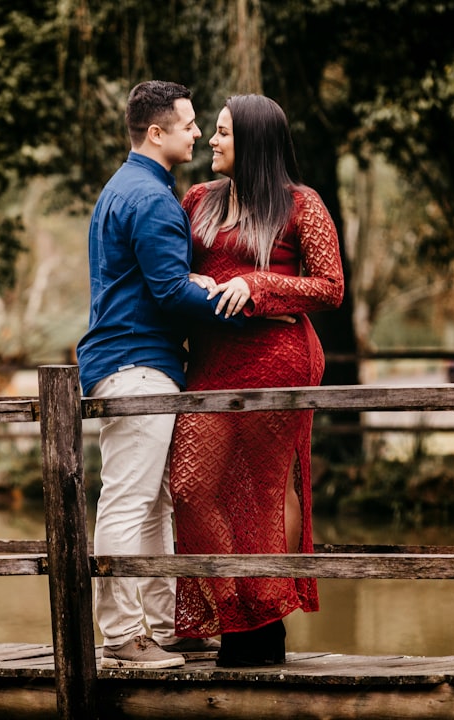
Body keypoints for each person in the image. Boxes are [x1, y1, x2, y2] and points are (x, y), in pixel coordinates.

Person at [75, 80, 252, 670]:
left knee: (154, 503)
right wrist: (245, 301)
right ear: (158, 133)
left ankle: (164, 623)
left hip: (134, 363)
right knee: (129, 501)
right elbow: (170, 294)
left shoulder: (124, 188)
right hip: (136, 366)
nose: (198, 133)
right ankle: (124, 635)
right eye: (188, 124)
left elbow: (155, 283)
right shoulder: (150, 198)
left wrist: (192, 285)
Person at [168, 94, 345, 667]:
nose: (212, 142)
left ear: (254, 142)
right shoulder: (198, 200)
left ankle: (261, 627)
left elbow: (331, 286)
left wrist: (262, 283)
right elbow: (174, 270)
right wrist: (190, 276)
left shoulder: (300, 204)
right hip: (213, 358)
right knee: (192, 487)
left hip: (278, 356)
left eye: (222, 133)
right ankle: (236, 610)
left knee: (266, 490)